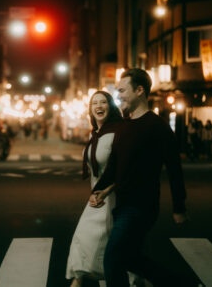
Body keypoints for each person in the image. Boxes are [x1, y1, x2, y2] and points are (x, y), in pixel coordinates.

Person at [90, 68, 191, 287]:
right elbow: (115, 165)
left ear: (139, 90)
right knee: (130, 259)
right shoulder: (124, 127)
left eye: (122, 90)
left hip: (141, 207)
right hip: (122, 205)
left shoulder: (158, 128)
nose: (119, 96)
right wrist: (98, 190)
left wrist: (179, 206)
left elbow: (174, 169)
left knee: (112, 258)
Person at [66, 91, 141, 287]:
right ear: (91, 110)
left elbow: (127, 169)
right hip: (96, 200)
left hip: (116, 200)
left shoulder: (120, 133)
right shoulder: (96, 135)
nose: (99, 106)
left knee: (118, 254)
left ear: (111, 106)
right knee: (82, 245)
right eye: (94, 103)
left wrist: (108, 190)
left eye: (103, 102)